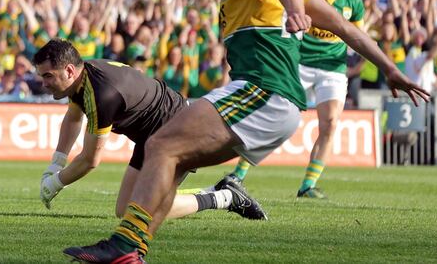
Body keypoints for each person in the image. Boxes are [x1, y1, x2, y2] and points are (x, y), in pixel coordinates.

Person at [63, 0, 430, 264]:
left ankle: (124, 246)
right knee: (173, 158)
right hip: (274, 100)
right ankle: (133, 250)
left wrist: (296, 11)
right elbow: (344, 27)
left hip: (263, 90)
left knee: (160, 144)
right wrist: (389, 69)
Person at [35, 39, 267, 227]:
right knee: (125, 209)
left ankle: (226, 197)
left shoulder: (101, 94)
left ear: (69, 70)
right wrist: (56, 163)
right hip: (155, 131)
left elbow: (90, 160)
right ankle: (223, 192)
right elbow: (74, 116)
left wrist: (54, 183)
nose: (44, 84)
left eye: (48, 76)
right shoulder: (84, 75)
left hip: (176, 128)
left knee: (140, 209)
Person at [228, 0, 365, 199]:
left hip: (333, 68)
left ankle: (308, 185)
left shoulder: (353, 3)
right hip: (301, 63)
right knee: (270, 115)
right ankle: (238, 173)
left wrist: (362, 63)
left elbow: (356, 36)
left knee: (330, 123)